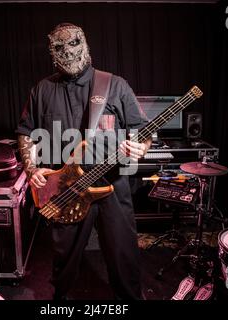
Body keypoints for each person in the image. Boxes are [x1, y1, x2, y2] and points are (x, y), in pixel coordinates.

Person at [16, 23, 152, 300]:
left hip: (112, 184)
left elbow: (142, 130)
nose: (67, 51)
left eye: (73, 43)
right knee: (63, 260)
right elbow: (26, 134)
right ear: (51, 52)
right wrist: (31, 170)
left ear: (86, 45)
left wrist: (141, 147)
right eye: (59, 47)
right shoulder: (41, 89)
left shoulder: (115, 84)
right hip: (65, 189)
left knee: (123, 255)